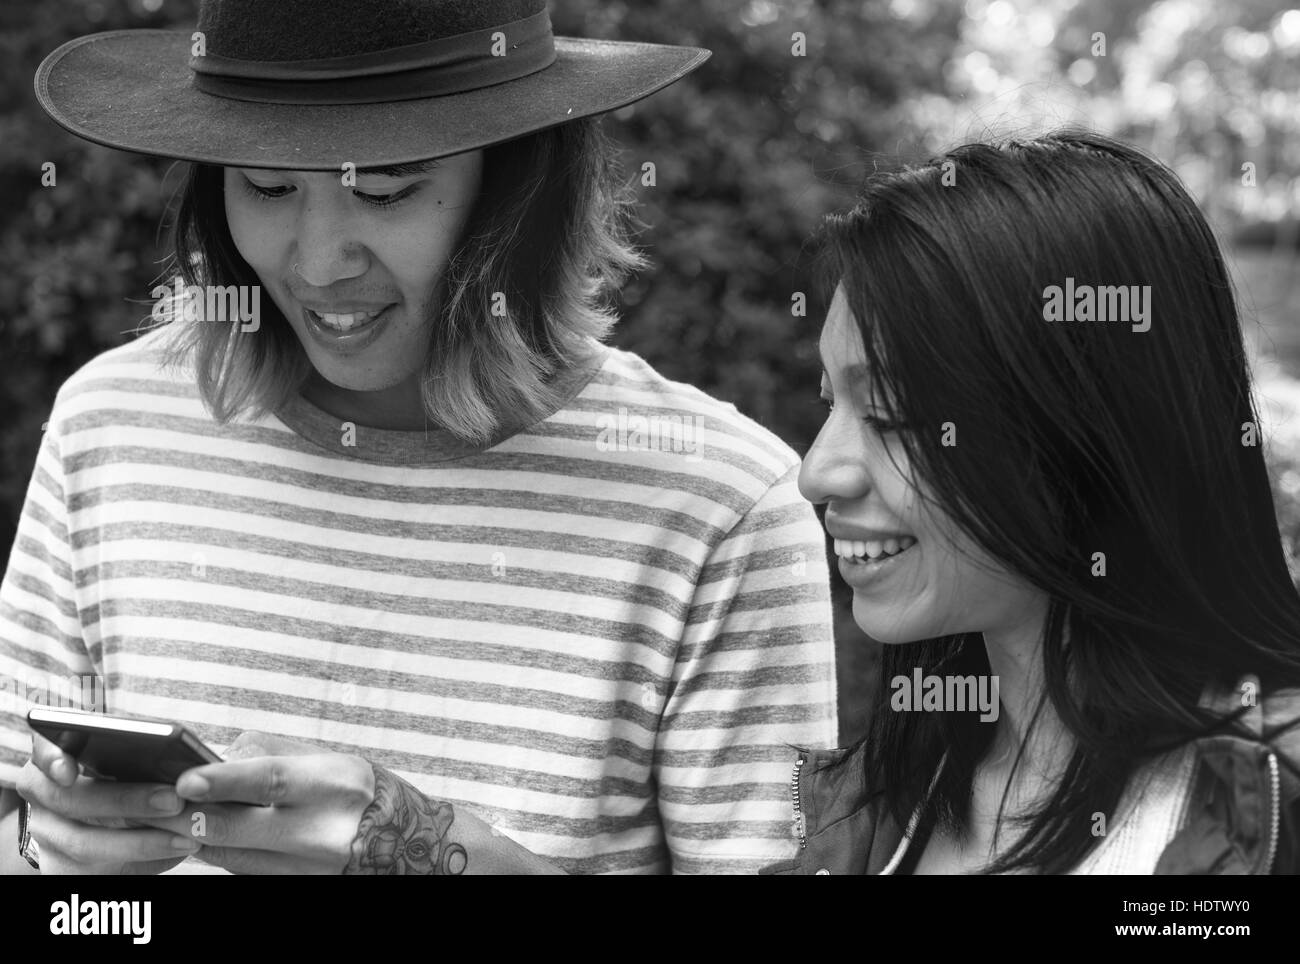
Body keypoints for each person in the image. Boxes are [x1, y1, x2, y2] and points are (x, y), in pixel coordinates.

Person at [0, 0, 838, 875]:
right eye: (267, 186)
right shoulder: (107, 426)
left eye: (387, 187)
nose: (320, 263)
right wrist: (48, 855)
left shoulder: (720, 505)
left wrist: (425, 850)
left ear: (519, 184)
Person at [768, 130, 1300, 875]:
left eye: (890, 414)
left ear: (1086, 428)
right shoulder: (882, 805)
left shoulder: (1262, 814)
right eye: (829, 403)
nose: (818, 473)